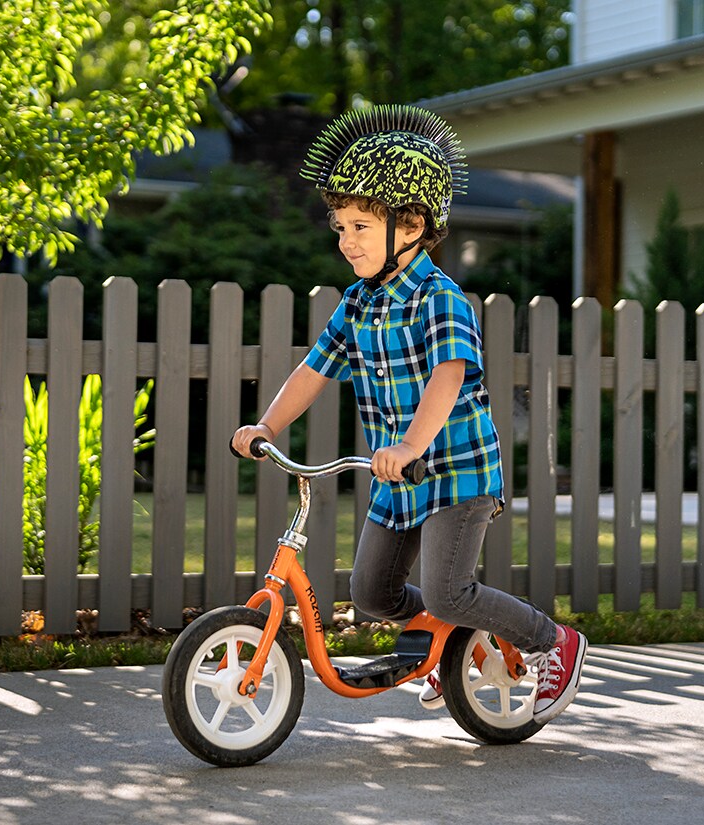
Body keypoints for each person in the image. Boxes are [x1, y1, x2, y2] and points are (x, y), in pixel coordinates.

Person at [230, 105, 587, 725]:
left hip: (455, 470)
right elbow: (314, 369)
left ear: (412, 223)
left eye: (361, 227)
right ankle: (450, 642)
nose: (346, 242)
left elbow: (448, 378)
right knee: (371, 594)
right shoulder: (358, 303)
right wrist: (266, 426)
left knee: (450, 589)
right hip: (397, 475)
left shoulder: (439, 298)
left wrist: (414, 444)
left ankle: (551, 642)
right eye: (340, 227)